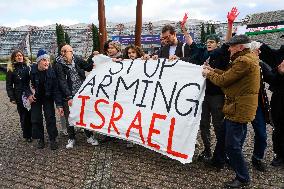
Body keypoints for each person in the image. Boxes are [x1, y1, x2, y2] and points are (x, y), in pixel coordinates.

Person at [202, 34, 260, 188]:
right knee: (222, 136)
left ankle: (243, 177)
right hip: (235, 107)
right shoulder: (244, 58)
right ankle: (217, 160)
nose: (229, 48)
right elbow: (228, 75)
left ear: (240, 47)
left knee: (232, 146)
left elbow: (224, 80)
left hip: (239, 108)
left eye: (231, 46)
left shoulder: (243, 61)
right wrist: (213, 69)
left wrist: (209, 74)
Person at [54, 44, 99, 149]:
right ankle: (71, 138)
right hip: (68, 95)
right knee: (69, 117)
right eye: (62, 51)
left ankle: (89, 136)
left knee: (84, 115)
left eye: (66, 51)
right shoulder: (58, 64)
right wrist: (69, 96)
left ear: (71, 52)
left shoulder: (77, 59)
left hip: (81, 93)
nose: (63, 53)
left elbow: (88, 67)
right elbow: (62, 81)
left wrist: (93, 57)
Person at [24, 49, 64, 150]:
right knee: (36, 118)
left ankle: (52, 139)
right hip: (35, 98)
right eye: (44, 60)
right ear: (39, 61)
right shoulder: (30, 70)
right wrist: (29, 95)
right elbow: (24, 85)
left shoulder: (51, 71)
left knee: (50, 117)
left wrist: (59, 105)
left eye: (48, 60)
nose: (47, 62)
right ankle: (40, 138)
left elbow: (56, 89)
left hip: (48, 97)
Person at [259, 38, 284, 167]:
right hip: (280, 95)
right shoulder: (277, 55)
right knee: (278, 127)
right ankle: (279, 154)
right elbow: (271, 78)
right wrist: (280, 73)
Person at [6, 49, 32, 142]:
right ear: (14, 58)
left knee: (31, 113)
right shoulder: (11, 70)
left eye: (20, 55)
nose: (19, 57)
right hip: (19, 95)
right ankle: (27, 135)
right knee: (24, 115)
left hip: (29, 93)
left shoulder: (28, 67)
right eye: (17, 56)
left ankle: (33, 131)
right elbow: (9, 85)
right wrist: (11, 97)